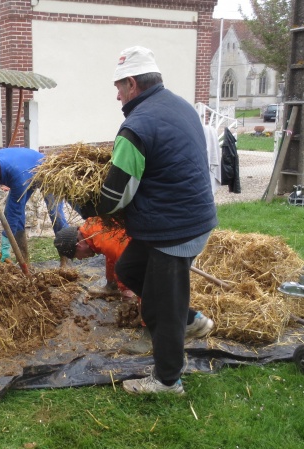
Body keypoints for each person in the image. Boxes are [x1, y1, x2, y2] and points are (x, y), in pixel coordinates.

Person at [80, 46, 218, 395]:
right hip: (182, 215)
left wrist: (87, 205)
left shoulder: (136, 127)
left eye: (119, 88)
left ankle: (168, 380)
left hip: (174, 228)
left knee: (161, 307)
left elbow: (116, 196)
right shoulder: (179, 105)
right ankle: (190, 320)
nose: (117, 96)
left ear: (132, 83)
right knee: (128, 270)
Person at [53, 218, 214, 338]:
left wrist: (130, 293)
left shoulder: (104, 241)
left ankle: (152, 333)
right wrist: (112, 284)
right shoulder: (92, 228)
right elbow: (112, 259)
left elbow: (137, 272)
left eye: (77, 256)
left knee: (150, 287)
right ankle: (192, 319)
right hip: (148, 237)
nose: (81, 259)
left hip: (165, 243)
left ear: (79, 245)